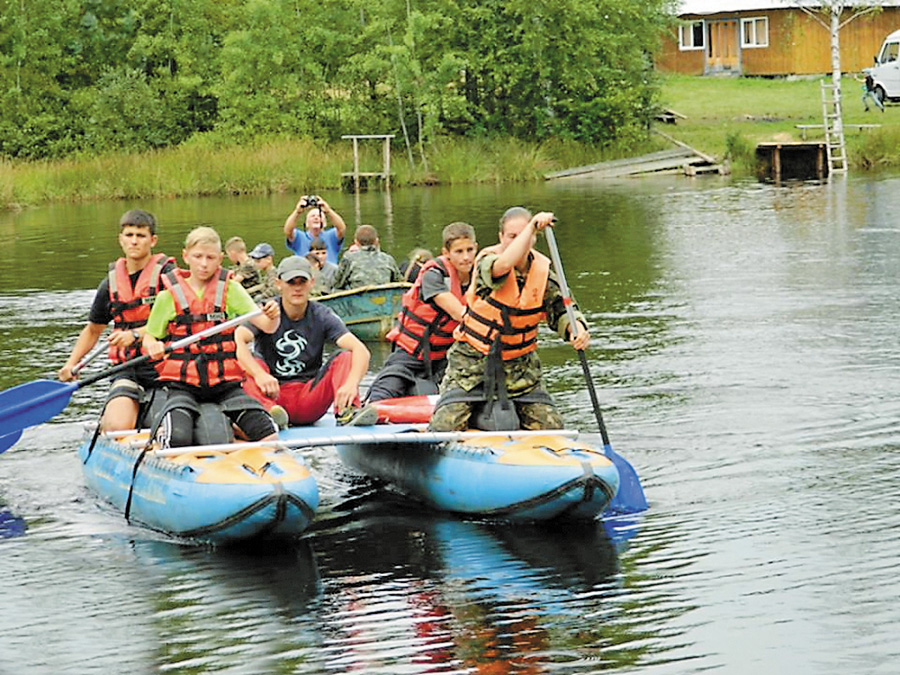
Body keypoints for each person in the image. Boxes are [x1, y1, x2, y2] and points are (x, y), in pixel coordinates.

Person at [429, 207, 590, 432]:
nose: (518, 242)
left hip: (520, 370)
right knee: (445, 426)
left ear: (534, 239)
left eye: (523, 235)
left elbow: (564, 311)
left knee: (553, 427)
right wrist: (532, 225)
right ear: (501, 238)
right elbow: (503, 265)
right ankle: (474, 420)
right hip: (472, 366)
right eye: (511, 236)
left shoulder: (543, 273)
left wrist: (578, 330)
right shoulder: (488, 262)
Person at [142, 226, 281, 448]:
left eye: (210, 257)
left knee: (269, 436)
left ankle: (237, 443)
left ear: (220, 259)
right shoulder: (167, 296)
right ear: (186, 256)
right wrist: (153, 346)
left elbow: (268, 326)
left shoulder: (231, 290)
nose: (204, 264)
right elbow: (149, 337)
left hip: (224, 385)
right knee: (177, 439)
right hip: (183, 385)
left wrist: (273, 316)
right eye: (198, 257)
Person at [58, 209, 175, 432]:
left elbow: (182, 321)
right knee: (118, 426)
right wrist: (71, 364)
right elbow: (93, 330)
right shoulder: (110, 284)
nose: (134, 241)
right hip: (127, 369)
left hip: (168, 366)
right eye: (129, 235)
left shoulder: (169, 277)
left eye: (140, 236)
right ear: (120, 240)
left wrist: (135, 334)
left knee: (169, 425)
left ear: (153, 240)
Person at [236, 256, 375, 427]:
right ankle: (268, 416)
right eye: (291, 282)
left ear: (311, 283)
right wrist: (259, 374)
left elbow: (361, 351)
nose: (297, 288)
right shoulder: (267, 311)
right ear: (279, 284)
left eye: (302, 282)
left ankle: (348, 412)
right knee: (242, 361)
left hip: (309, 398)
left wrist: (351, 384)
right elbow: (238, 340)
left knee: (346, 356)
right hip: (272, 396)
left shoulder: (322, 315)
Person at [368, 223, 477, 402]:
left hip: (443, 358)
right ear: (446, 252)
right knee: (385, 391)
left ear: (476, 248)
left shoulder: (480, 276)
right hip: (410, 352)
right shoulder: (434, 275)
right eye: (459, 252)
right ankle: (370, 408)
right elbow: (460, 314)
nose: (466, 257)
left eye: (470, 250)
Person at [333, 225, 401, 290]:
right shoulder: (388, 259)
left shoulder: (349, 258)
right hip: (384, 297)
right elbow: (399, 282)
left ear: (356, 242)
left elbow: (337, 283)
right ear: (376, 241)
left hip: (357, 298)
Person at [283, 194, 347, 264]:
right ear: (307, 223)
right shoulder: (300, 237)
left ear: (325, 223)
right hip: (306, 272)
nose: (316, 218)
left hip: (329, 272)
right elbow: (288, 231)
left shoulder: (331, 236)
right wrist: (297, 212)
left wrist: (328, 211)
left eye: (319, 216)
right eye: (312, 216)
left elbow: (342, 228)